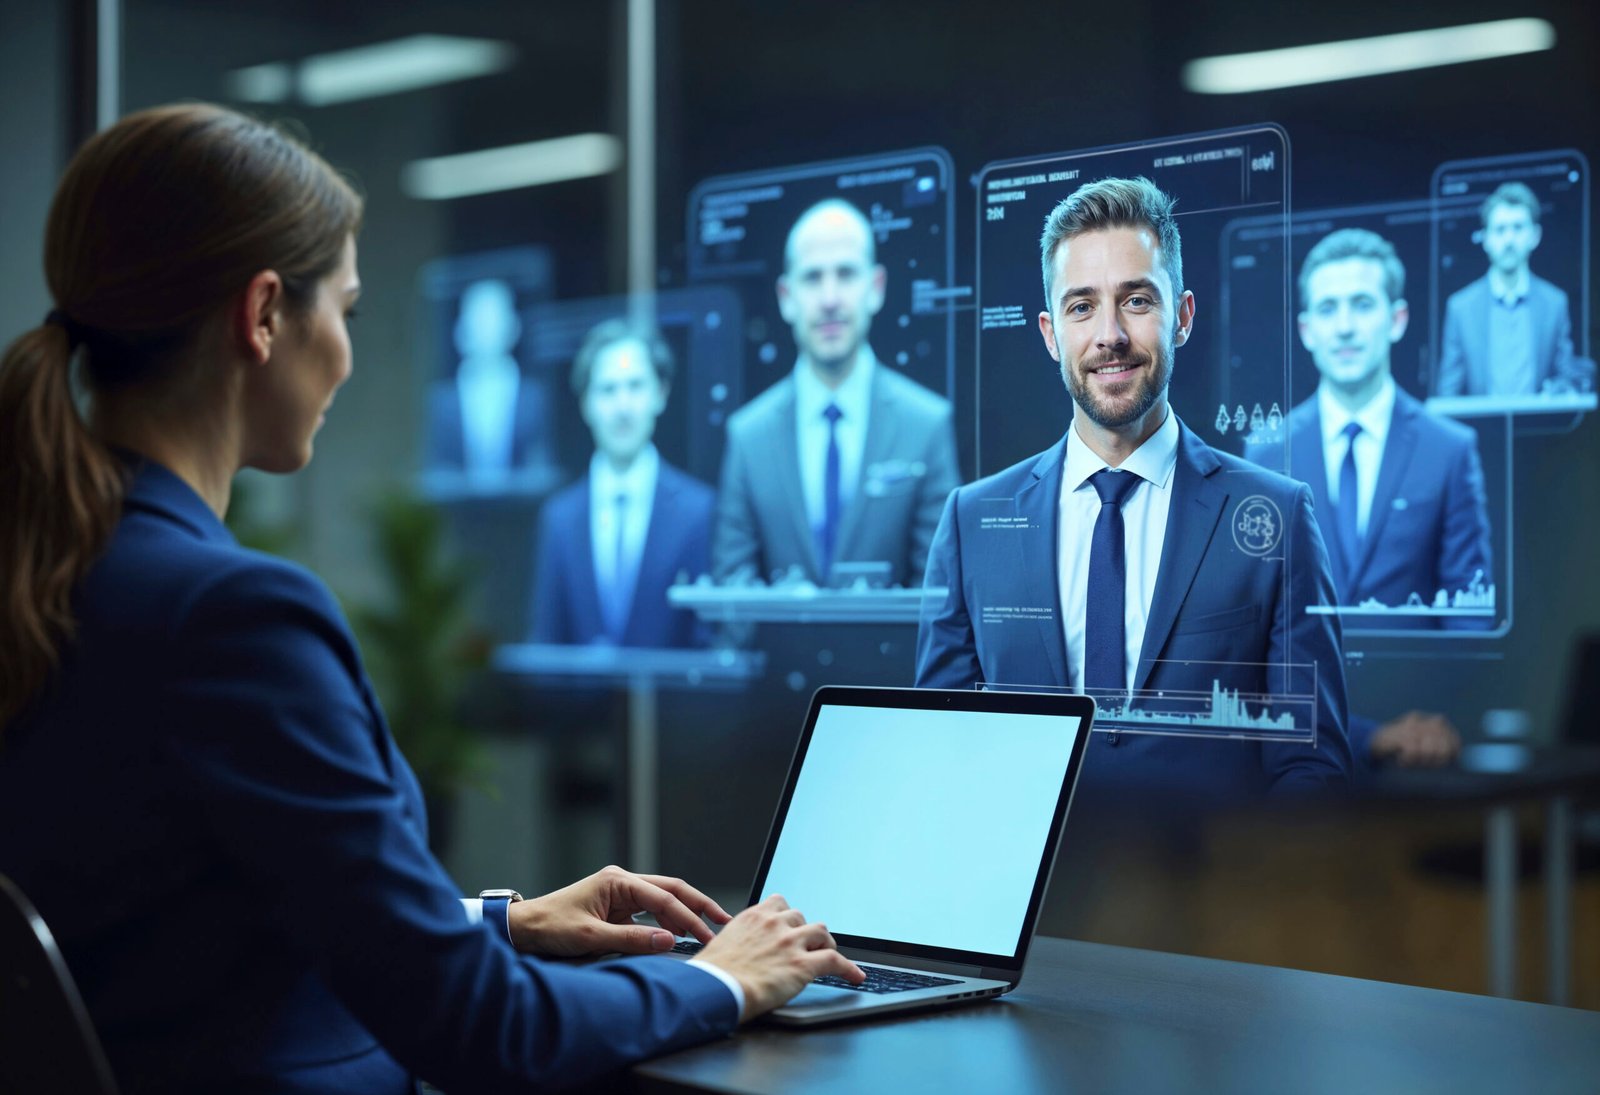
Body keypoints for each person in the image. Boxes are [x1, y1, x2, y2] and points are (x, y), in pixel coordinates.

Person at [0, 103, 860, 1095]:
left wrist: (501, 920)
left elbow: (177, 917)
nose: (351, 355)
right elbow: (484, 1030)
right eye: (348, 312)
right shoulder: (228, 617)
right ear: (266, 314)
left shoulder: (61, 571)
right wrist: (722, 980)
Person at [915, 177, 1350, 800]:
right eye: (1081, 305)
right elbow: (935, 752)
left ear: (1182, 317)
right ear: (1049, 333)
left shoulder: (1277, 514)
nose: (1109, 334)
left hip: (1213, 889)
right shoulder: (971, 521)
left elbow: (1312, 768)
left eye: (1138, 300)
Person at [1250, 228, 1487, 768]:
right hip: (1301, 752)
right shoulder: (1265, 455)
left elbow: (1468, 619)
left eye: (1362, 304)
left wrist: (1438, 722)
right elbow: (1256, 630)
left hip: (1426, 751)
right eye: (1328, 309)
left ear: (1397, 319)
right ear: (1307, 330)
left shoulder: (1448, 449)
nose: (1346, 326)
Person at [712, 198, 960, 588]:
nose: (830, 298)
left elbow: (939, 592)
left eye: (845, 274)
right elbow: (733, 586)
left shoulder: (925, 425)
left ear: (875, 288)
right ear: (786, 297)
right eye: (812, 278)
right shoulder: (748, 436)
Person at [532, 320, 715, 647]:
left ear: (660, 394)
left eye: (635, 386)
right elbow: (546, 643)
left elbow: (707, 642)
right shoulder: (559, 518)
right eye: (608, 390)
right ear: (586, 403)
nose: (623, 407)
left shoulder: (698, 512)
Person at [1436, 182, 1587, 398]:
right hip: (1482, 430)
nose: (1508, 239)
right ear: (1485, 239)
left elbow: (1566, 377)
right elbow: (1448, 394)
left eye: (1517, 228)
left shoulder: (1554, 303)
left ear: (1534, 235)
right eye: (1499, 229)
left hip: (1541, 430)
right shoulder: (1461, 307)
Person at [425, 277, 552, 483]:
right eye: (479, 320)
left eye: (493, 319)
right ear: (461, 330)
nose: (486, 330)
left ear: (513, 327)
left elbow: (539, 469)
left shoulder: (532, 398)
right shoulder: (443, 402)